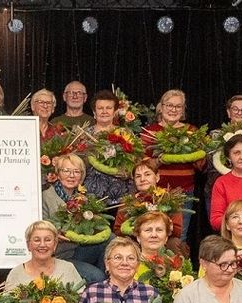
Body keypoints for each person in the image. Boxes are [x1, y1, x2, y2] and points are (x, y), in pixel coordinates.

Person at [140, 89, 202, 243]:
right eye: (169, 105)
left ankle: (176, 267)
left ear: (183, 110)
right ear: (160, 107)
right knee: (152, 234)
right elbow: (142, 166)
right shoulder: (149, 132)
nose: (173, 110)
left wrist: (196, 152)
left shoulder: (192, 132)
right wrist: (160, 160)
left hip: (183, 192)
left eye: (178, 106)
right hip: (154, 192)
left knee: (178, 237)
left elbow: (202, 166)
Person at [41, 153, 105, 284]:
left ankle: (107, 280)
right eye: (66, 171)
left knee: (110, 239)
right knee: (97, 277)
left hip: (79, 250)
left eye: (76, 171)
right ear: (57, 174)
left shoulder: (84, 198)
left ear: (82, 176)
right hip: (58, 255)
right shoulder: (45, 197)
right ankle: (99, 283)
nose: (71, 175)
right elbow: (40, 231)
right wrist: (55, 234)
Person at [113, 158, 185, 244]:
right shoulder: (128, 201)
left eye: (147, 174)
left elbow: (177, 231)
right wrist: (137, 229)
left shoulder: (168, 199)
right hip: (135, 242)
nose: (142, 179)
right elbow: (117, 230)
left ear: (157, 177)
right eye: (138, 176)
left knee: (174, 243)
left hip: (163, 243)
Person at [81, 90, 132, 204]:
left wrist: (128, 170)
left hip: (122, 195)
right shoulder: (84, 134)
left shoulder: (125, 133)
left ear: (115, 112)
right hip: (92, 195)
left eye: (108, 108)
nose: (104, 111)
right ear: (94, 112)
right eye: (100, 108)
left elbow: (136, 159)